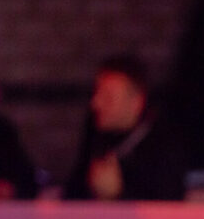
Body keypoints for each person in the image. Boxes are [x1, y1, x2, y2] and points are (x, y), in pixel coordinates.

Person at [63, 54, 187, 201]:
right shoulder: (96, 133)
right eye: (97, 93)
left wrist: (117, 196)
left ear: (136, 102)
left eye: (108, 97)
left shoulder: (165, 142)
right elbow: (72, 192)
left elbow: (167, 205)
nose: (96, 103)